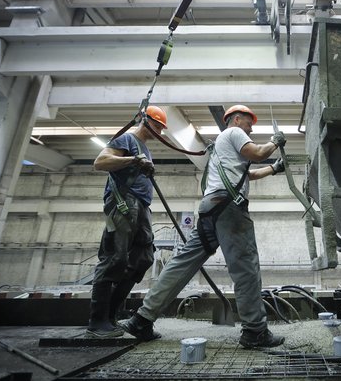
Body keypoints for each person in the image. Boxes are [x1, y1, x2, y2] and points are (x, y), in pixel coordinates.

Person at [121, 104, 287, 348]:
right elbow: (257, 153)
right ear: (237, 119)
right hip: (229, 208)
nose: (251, 128)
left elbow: (248, 173)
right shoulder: (234, 133)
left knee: (182, 263)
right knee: (245, 268)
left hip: (210, 209)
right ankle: (255, 331)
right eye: (250, 122)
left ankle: (141, 319)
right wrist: (275, 141)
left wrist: (273, 169)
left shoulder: (222, 147)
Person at [85, 106, 167, 338]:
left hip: (141, 205)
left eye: (162, 127)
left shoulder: (145, 149)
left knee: (143, 258)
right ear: (145, 120)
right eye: (158, 125)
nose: (160, 130)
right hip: (123, 201)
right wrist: (133, 159)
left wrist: (141, 162)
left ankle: (111, 314)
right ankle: (97, 321)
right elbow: (100, 163)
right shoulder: (127, 139)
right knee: (115, 258)